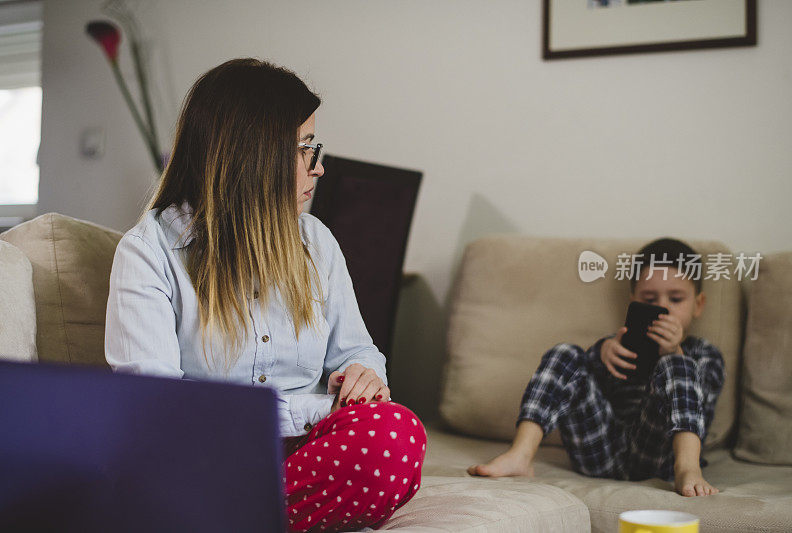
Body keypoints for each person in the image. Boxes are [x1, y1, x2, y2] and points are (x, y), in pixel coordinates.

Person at [105, 58, 426, 532]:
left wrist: (364, 377)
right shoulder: (148, 252)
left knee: (396, 434)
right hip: (204, 453)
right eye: (305, 149)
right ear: (252, 154)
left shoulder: (316, 242)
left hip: (301, 454)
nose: (318, 168)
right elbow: (162, 407)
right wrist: (318, 409)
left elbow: (357, 351)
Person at [467, 238, 725, 498]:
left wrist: (674, 353)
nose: (663, 308)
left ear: (698, 305)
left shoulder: (705, 354)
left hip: (660, 458)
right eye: (650, 298)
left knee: (678, 364)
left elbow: (700, 405)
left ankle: (688, 468)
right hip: (600, 450)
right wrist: (599, 357)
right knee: (565, 353)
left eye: (676, 298)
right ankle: (520, 454)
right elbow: (575, 386)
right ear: (633, 301)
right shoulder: (617, 344)